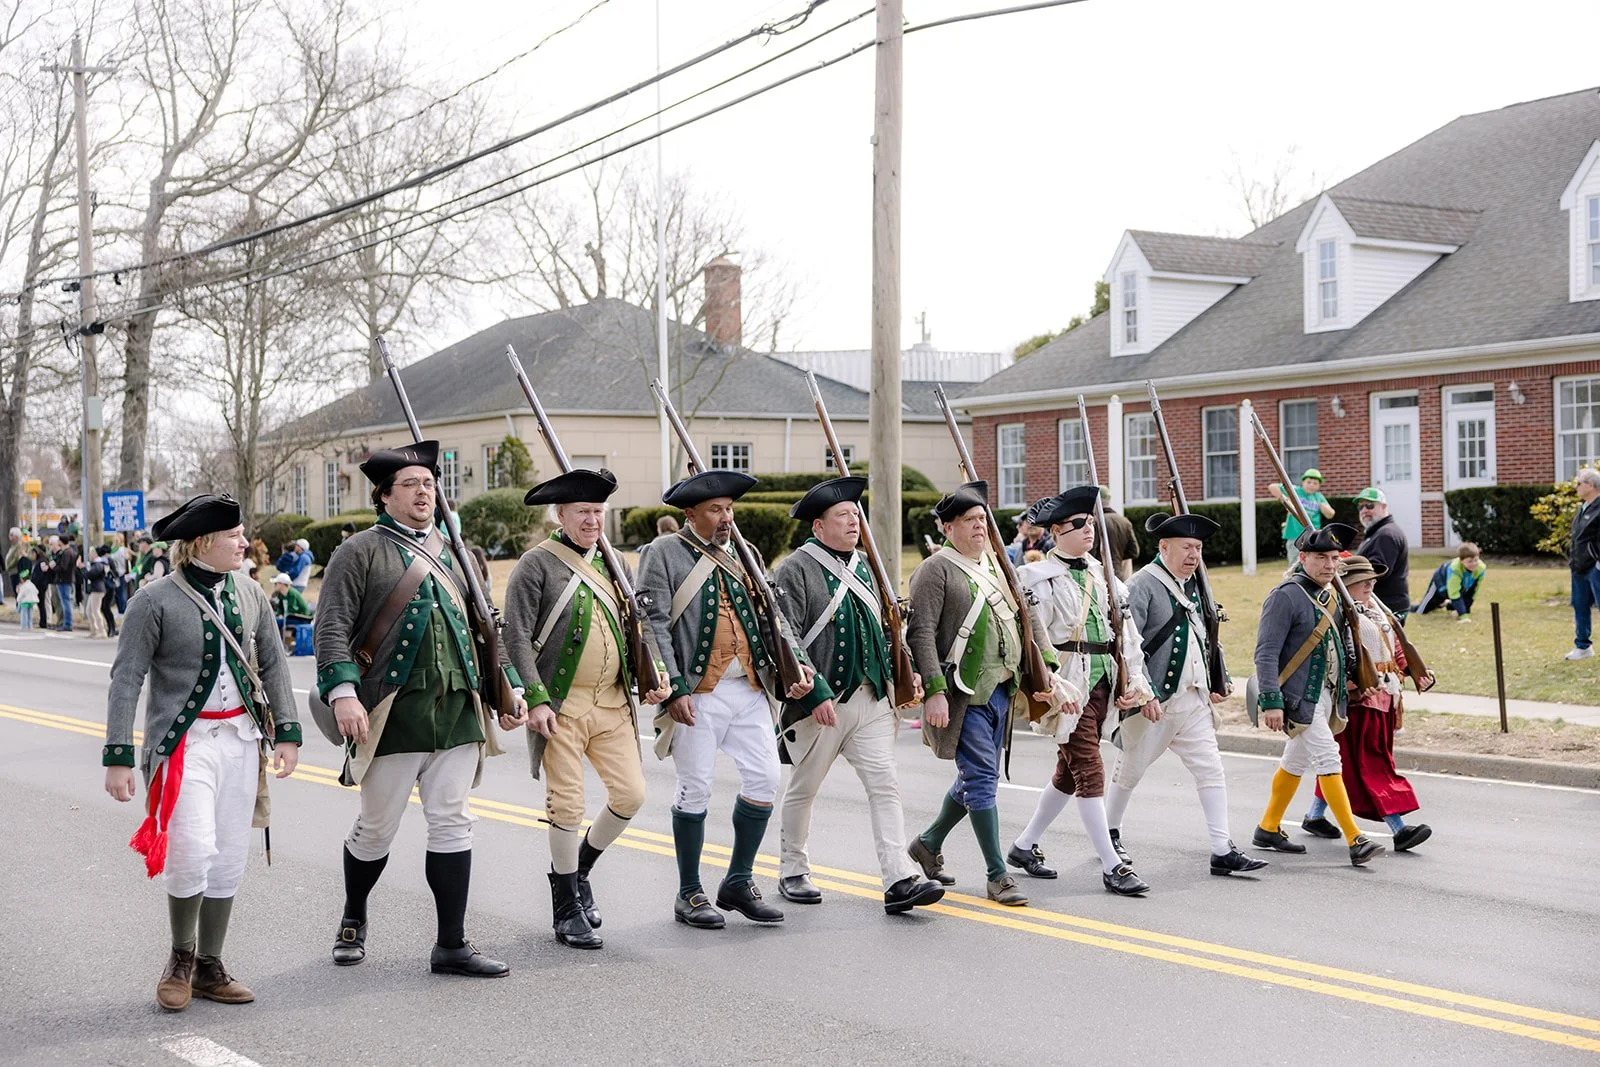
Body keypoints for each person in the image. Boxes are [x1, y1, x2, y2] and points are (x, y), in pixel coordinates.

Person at [314, 440, 528, 977]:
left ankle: (451, 944)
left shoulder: (456, 550)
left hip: (457, 706)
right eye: (410, 484)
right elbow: (332, 627)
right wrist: (343, 694)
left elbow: (486, 629)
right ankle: (353, 916)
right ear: (384, 496)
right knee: (376, 829)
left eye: (429, 483)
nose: (423, 491)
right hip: (392, 710)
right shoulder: (359, 551)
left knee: (454, 822)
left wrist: (508, 688)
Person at [102, 493, 302, 1011]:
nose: (244, 541)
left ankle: (211, 966)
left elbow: (275, 664)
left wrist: (287, 731)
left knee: (230, 855)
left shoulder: (251, 593)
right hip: (184, 746)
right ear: (201, 543)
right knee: (191, 850)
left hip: (240, 741)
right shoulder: (152, 601)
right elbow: (127, 678)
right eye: (234, 534)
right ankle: (180, 958)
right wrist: (119, 754)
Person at [636, 469, 820, 929]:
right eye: (716, 510)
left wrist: (798, 664)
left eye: (729, 509)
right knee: (695, 787)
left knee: (764, 781)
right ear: (690, 513)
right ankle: (689, 892)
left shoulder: (745, 553)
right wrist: (673, 686)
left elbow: (774, 617)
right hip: (698, 692)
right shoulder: (662, 553)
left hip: (749, 687)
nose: (725, 518)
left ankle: (738, 881)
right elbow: (653, 623)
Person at [502, 468, 670, 950]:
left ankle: (580, 869)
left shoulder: (616, 561)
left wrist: (655, 670)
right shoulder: (536, 564)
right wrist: (533, 698)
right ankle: (565, 905)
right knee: (568, 806)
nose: (593, 521)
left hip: (614, 703)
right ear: (561, 515)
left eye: (598, 512)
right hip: (561, 705)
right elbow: (513, 635)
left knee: (631, 796)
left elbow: (640, 623)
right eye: (583, 513)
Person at [769, 477, 944, 915]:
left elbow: (888, 628)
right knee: (804, 789)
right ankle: (793, 869)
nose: (853, 522)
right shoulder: (796, 568)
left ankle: (899, 877)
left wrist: (907, 672)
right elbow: (785, 633)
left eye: (855, 514)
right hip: (822, 703)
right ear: (818, 527)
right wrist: (815, 693)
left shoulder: (867, 564)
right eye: (842, 516)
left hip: (871, 699)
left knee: (885, 785)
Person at [904, 481, 1056, 907]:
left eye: (982, 520)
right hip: (961, 694)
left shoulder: (997, 564)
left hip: (1001, 691)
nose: (978, 528)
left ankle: (928, 843)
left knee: (972, 777)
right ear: (948, 527)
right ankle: (997, 874)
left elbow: (1027, 615)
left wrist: (1050, 666)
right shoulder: (936, 569)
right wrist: (933, 690)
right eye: (970, 521)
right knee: (983, 779)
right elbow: (921, 634)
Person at [1008, 486, 1156, 896]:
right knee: (1089, 770)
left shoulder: (1104, 575)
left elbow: (1126, 635)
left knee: (1068, 775)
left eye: (1091, 523)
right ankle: (1112, 866)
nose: (1089, 530)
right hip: (1068, 682)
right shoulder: (1036, 579)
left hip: (1104, 679)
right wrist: (1052, 684)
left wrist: (1135, 685)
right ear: (1056, 531)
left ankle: (1023, 846)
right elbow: (1035, 642)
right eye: (1079, 524)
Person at [1110, 513, 1268, 876]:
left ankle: (1221, 847)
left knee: (1211, 770)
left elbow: (1204, 634)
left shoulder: (1194, 584)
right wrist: (1141, 693)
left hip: (1192, 700)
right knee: (1129, 771)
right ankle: (1110, 831)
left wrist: (1217, 677)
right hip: (1155, 700)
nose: (1193, 555)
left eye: (1197, 548)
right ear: (1163, 547)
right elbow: (1126, 647)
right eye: (1186, 547)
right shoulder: (1143, 584)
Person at [1250, 523, 1385, 868]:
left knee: (1295, 761)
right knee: (1328, 758)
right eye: (1321, 558)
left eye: (1334, 558)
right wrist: (1271, 700)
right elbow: (1265, 652)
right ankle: (1356, 838)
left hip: (1326, 694)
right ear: (1303, 558)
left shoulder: (1331, 595)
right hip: (1297, 697)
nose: (1329, 565)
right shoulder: (1285, 595)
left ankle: (1267, 828)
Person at [1301, 555, 1434, 852]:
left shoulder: (1376, 611)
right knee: (1372, 766)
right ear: (1348, 584)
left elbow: (1396, 646)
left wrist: (1415, 671)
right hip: (1362, 699)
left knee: (1348, 764)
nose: (1371, 585)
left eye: (1372, 581)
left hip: (1387, 696)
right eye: (1364, 582)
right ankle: (1398, 829)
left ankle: (1313, 816)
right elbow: (1336, 653)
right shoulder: (1343, 614)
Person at [1354, 487, 1410, 619]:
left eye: (1369, 505)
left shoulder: (1386, 535)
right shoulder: (1377, 533)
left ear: (1384, 507)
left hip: (1387, 607)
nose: (1364, 511)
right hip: (1383, 605)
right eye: (1360, 507)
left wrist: (1350, 570)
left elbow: (1378, 571)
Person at [1566, 468, 1600, 661]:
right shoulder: (1583, 508)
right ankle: (1583, 646)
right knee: (1580, 606)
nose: (1576, 487)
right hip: (1579, 567)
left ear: (1591, 485)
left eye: (1579, 483)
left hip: (1595, 568)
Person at [1272, 469, 1335, 560]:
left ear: (1319, 485)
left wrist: (1325, 508)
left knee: (1312, 561)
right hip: (1295, 535)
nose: (1311, 485)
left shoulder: (1319, 497)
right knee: (1295, 562)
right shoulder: (1295, 490)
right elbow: (1273, 487)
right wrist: (1285, 501)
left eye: (1315, 483)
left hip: (1312, 536)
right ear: (1303, 482)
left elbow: (1330, 514)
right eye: (1308, 482)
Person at [1414, 543, 1487, 619]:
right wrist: (1463, 616)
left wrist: (1465, 611)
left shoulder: (1481, 568)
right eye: (1470, 561)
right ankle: (1405, 607)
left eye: (1476, 560)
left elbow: (1472, 593)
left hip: (1457, 586)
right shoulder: (1454, 569)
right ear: (1461, 561)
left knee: (1463, 603)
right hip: (1440, 583)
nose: (1474, 564)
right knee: (1421, 610)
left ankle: (1447, 604)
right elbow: (1454, 594)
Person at [1101, 503, 1139, 583]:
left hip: (1101, 575)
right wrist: (1118, 557)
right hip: (1119, 574)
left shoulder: (1096, 521)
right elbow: (1134, 552)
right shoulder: (1125, 521)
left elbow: (1092, 552)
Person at [51, 534, 78, 632]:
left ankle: (67, 624)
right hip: (69, 579)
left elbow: (63, 567)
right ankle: (67, 623)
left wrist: (54, 567)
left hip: (64, 580)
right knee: (67, 601)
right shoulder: (72, 552)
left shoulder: (66, 553)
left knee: (65, 602)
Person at [84, 546, 110, 639]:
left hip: (98, 589)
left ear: (95, 554)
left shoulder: (98, 564)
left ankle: (102, 631)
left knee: (95, 610)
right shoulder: (96, 564)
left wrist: (84, 570)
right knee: (89, 611)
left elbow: (91, 574)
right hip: (95, 589)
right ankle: (94, 630)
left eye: (91, 553)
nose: (89, 555)